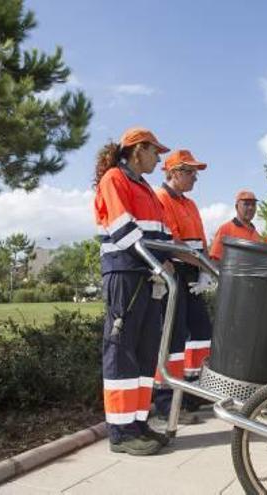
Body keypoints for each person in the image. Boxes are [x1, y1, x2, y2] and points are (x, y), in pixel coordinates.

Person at [94, 126, 173, 455]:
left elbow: (163, 235)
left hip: (147, 276)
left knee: (144, 352)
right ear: (138, 150)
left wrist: (171, 259)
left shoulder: (148, 190)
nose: (158, 158)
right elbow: (122, 229)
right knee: (121, 350)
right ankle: (121, 432)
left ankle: (138, 422)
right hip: (126, 274)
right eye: (155, 151)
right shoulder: (115, 179)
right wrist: (158, 264)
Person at [153, 149, 215, 421]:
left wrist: (205, 272)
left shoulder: (190, 205)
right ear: (174, 172)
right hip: (173, 272)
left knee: (202, 333)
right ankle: (167, 403)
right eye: (191, 172)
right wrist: (205, 267)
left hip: (193, 273)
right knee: (174, 338)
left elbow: (200, 242)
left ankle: (191, 393)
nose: (195, 178)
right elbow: (173, 245)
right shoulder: (161, 199)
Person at [209, 190, 262, 260]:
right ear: (236, 207)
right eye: (246, 204)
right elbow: (214, 259)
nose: (250, 208)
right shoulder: (225, 229)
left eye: (253, 205)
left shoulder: (256, 235)